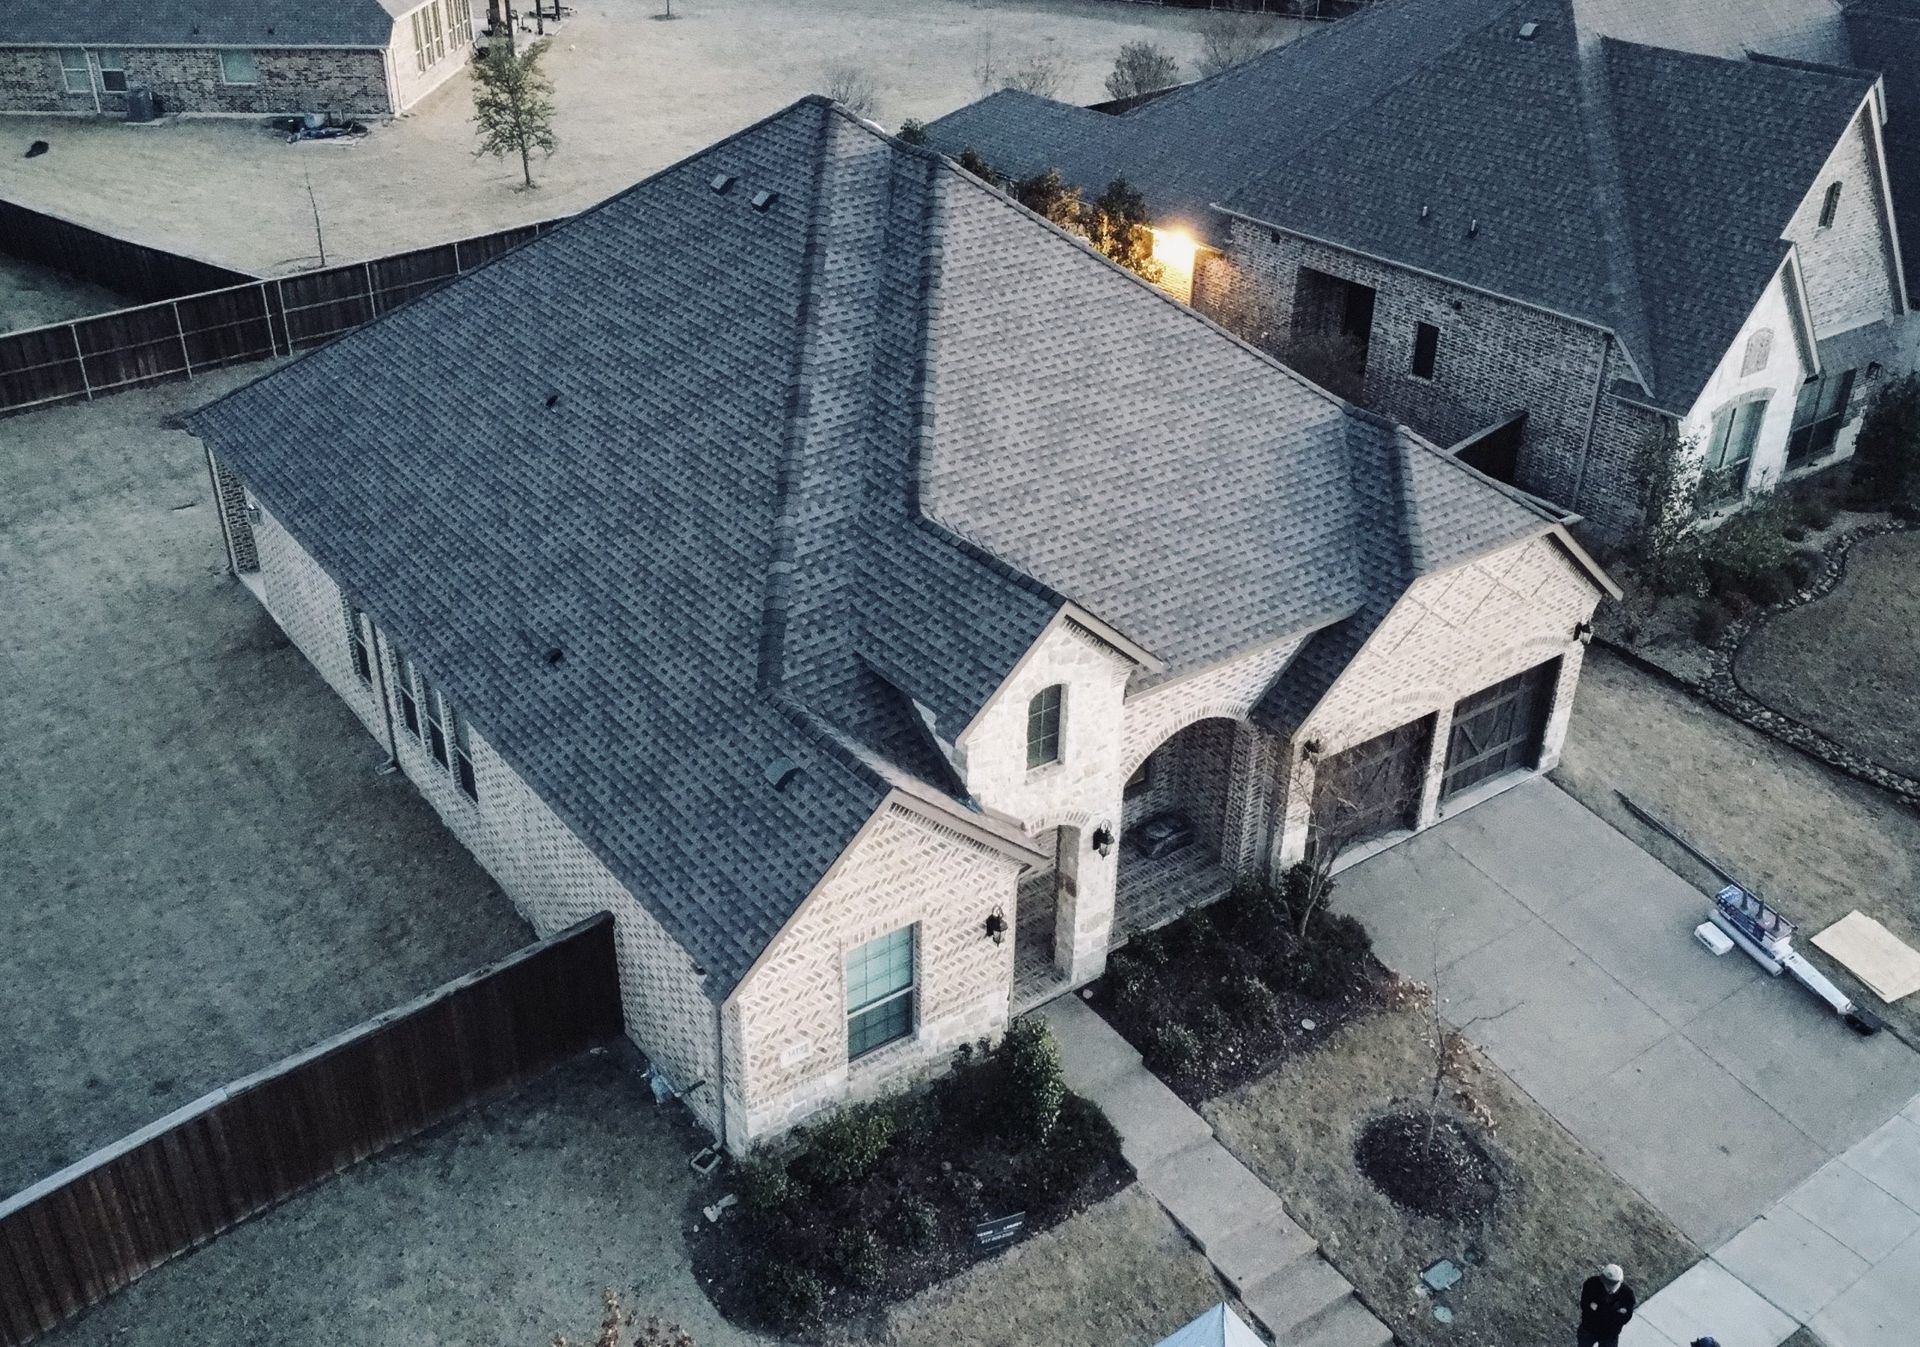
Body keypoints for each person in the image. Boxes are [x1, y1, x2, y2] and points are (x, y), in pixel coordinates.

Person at [1577, 1263, 1636, 1347]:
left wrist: (1598, 1309)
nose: (1607, 1285)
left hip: (1610, 1334)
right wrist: (1613, 1312)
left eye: (1611, 1283)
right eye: (1605, 1281)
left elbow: (1626, 1318)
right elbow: (1585, 1305)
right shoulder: (1591, 1284)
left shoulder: (1627, 1295)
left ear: (1620, 1281)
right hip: (1589, 1328)